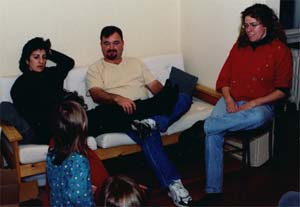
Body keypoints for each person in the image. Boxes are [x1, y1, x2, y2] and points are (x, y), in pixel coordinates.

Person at [190, 3, 293, 205]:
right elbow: (224, 80)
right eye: (245, 25)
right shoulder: (239, 47)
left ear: (266, 26)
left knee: (254, 117)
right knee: (214, 133)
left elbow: (282, 91)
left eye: (253, 25)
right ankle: (213, 194)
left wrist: (254, 103)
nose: (248, 30)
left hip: (260, 105)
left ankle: (204, 126)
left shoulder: (280, 50)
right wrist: (228, 99)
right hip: (232, 100)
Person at [86, 25, 193, 206]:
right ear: (101, 45)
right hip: (121, 113)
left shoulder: (135, 63)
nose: (111, 47)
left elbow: (155, 87)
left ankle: (153, 122)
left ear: (123, 44)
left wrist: (167, 97)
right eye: (107, 44)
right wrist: (117, 98)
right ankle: (174, 183)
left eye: (115, 43)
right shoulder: (96, 68)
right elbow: (96, 94)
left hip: (146, 110)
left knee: (183, 97)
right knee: (147, 130)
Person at [2, 37, 75, 144]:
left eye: (44, 57)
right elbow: (30, 115)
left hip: (61, 123)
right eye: (36, 57)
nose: (41, 61)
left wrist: (47, 50)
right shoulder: (20, 84)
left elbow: (68, 62)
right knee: (5, 107)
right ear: (27, 60)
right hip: (40, 130)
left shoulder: (52, 74)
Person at [47, 100, 96, 206]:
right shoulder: (79, 161)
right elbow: (77, 196)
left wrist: (87, 187)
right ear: (83, 127)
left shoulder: (52, 153)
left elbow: (56, 183)